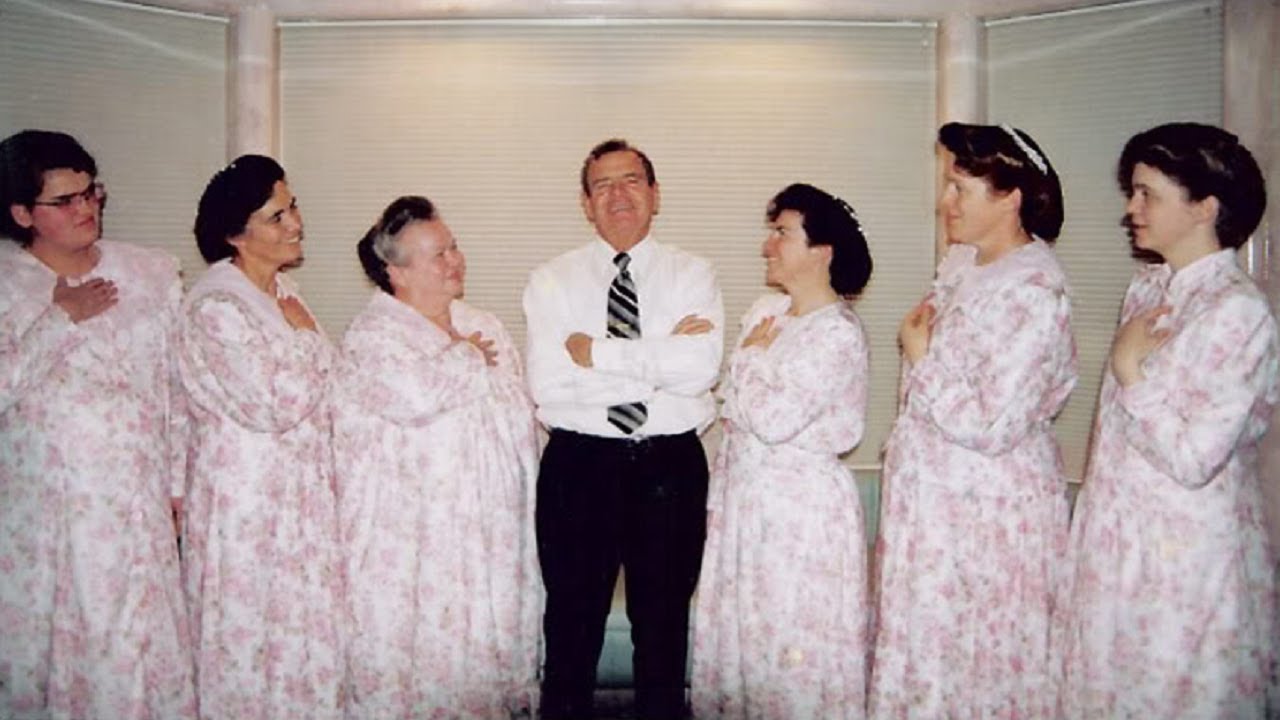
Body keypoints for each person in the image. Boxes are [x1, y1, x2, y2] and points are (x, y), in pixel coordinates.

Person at [1054, 123, 1278, 718]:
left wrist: (1131, 370)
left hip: (1184, 558)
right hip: (1120, 543)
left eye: (1147, 194)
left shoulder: (1237, 311)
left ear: (1205, 207)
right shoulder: (1149, 289)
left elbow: (1194, 458)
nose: (1131, 209)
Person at [869, 122, 1078, 718]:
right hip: (936, 507)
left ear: (1011, 197)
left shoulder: (1034, 288)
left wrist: (921, 356)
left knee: (978, 661)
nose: (945, 202)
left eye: (960, 188)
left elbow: (992, 423)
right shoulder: (964, 263)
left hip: (987, 512)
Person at [523, 138, 724, 720]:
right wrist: (660, 361)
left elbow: (700, 371)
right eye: (602, 185)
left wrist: (596, 353)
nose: (618, 195)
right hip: (578, 467)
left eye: (632, 180)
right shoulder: (551, 280)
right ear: (586, 203)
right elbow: (550, 386)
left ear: (656, 194)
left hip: (669, 468)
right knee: (571, 627)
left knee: (663, 629)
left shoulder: (693, 274)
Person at [0, 129, 196, 720]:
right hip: (55, 516)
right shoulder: (7, 286)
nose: (86, 208)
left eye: (91, 193)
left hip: (139, 504)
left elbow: (176, 385)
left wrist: (178, 484)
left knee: (142, 645)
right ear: (22, 213)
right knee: (77, 653)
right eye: (65, 201)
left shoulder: (149, 271)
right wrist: (59, 321)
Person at [333, 195, 542, 718]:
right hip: (415, 544)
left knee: (485, 659)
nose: (455, 261)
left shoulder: (484, 325)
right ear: (396, 272)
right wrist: (467, 358)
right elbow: (416, 397)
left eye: (453, 247)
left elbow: (519, 416)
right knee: (422, 663)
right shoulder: (372, 338)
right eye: (437, 255)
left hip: (491, 533)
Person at [690, 183, 873, 719]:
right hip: (747, 504)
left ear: (822, 251)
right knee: (746, 641)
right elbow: (734, 408)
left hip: (800, 516)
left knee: (790, 645)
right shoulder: (768, 314)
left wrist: (749, 361)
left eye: (782, 234)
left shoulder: (836, 333)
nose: (767, 246)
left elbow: (772, 419)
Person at [179, 155, 343, 720]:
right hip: (248, 507)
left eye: (292, 206)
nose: (296, 222)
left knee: (301, 640)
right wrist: (307, 341)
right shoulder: (215, 307)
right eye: (277, 216)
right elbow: (273, 403)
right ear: (236, 236)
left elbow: (327, 387)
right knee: (252, 642)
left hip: (300, 502)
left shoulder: (282, 291)